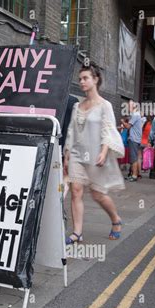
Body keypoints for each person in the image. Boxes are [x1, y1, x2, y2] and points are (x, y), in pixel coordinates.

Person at [63, 63, 125, 244]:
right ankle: (77, 233)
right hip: (76, 154)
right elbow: (71, 131)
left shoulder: (105, 105)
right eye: (80, 78)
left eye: (85, 78)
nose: (81, 82)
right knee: (75, 191)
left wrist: (104, 151)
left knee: (98, 194)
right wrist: (67, 153)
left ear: (95, 80)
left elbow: (108, 129)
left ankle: (115, 219)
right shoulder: (77, 106)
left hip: (96, 154)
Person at [121, 100, 145, 181]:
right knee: (133, 157)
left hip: (134, 139)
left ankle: (134, 176)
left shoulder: (135, 115)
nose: (128, 107)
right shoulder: (135, 115)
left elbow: (128, 126)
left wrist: (123, 122)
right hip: (135, 139)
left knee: (134, 158)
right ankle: (132, 174)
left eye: (129, 105)